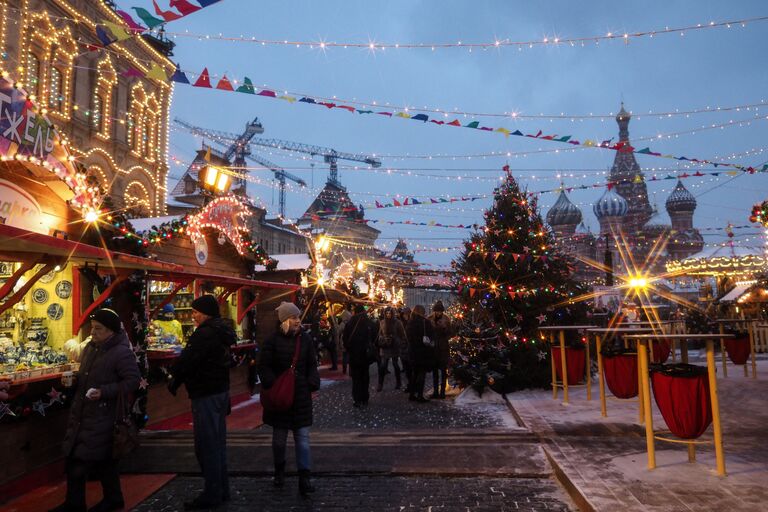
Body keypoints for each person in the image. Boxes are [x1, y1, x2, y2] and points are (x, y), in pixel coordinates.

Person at [51, 308, 140, 512]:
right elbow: (87, 375)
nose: (93, 332)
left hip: (104, 415)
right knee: (97, 461)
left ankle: (78, 504)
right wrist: (74, 381)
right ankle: (107, 499)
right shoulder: (91, 348)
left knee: (85, 461)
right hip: (84, 412)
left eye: (98, 329)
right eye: (92, 328)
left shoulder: (121, 353)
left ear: (111, 332)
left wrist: (104, 391)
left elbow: (133, 381)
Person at [168, 295, 236, 511]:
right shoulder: (221, 331)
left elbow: (188, 360)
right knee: (218, 443)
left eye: (196, 311)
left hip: (206, 392)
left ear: (205, 313)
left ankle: (212, 492)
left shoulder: (205, 334)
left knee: (207, 445)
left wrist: (175, 379)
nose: (193, 315)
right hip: (219, 391)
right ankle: (221, 489)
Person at [258, 302, 320, 497]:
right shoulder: (272, 341)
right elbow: (264, 365)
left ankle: (305, 477)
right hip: (281, 397)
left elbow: (312, 363)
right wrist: (271, 383)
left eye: (298, 317)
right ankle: (279, 471)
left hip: (300, 396)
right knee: (279, 440)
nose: (297, 321)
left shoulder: (306, 340)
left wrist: (312, 381)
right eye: (293, 318)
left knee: (302, 439)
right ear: (284, 320)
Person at [343, 304, 375, 407]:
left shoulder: (350, 323)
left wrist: (350, 349)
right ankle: (365, 397)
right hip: (365, 355)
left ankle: (357, 399)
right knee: (365, 376)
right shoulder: (368, 322)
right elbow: (374, 337)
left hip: (354, 354)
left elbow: (345, 339)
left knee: (356, 378)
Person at [406, 305, 435, 403]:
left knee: (414, 373)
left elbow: (408, 337)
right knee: (422, 373)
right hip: (423, 351)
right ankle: (419, 395)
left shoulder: (410, 322)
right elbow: (431, 335)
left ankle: (412, 394)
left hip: (412, 351)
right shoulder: (425, 322)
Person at [376, 307, 406, 391]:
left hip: (394, 346)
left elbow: (402, 335)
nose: (388, 315)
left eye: (390, 313)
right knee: (383, 366)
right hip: (385, 347)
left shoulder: (397, 323)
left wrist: (397, 340)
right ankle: (380, 384)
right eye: (387, 313)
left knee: (395, 364)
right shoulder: (382, 322)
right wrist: (383, 338)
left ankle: (398, 382)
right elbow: (380, 334)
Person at [427, 301, 452, 399]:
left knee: (443, 371)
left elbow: (450, 333)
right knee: (434, 371)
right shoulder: (429, 319)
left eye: (440, 311)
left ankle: (442, 392)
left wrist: (444, 328)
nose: (438, 313)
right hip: (433, 348)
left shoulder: (446, 319)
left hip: (443, 348)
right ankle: (435, 392)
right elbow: (428, 332)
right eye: (436, 311)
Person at [398, 307, 412, 394]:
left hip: (409, 348)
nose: (404, 316)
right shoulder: (401, 323)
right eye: (403, 314)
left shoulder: (411, 323)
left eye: (406, 314)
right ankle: (409, 385)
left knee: (410, 369)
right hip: (403, 348)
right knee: (407, 369)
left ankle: (411, 385)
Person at [338, 308, 353, 375]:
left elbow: (339, 331)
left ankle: (344, 370)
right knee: (350, 356)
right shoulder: (351, 323)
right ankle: (350, 371)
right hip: (350, 340)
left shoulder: (342, 324)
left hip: (344, 340)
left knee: (345, 356)